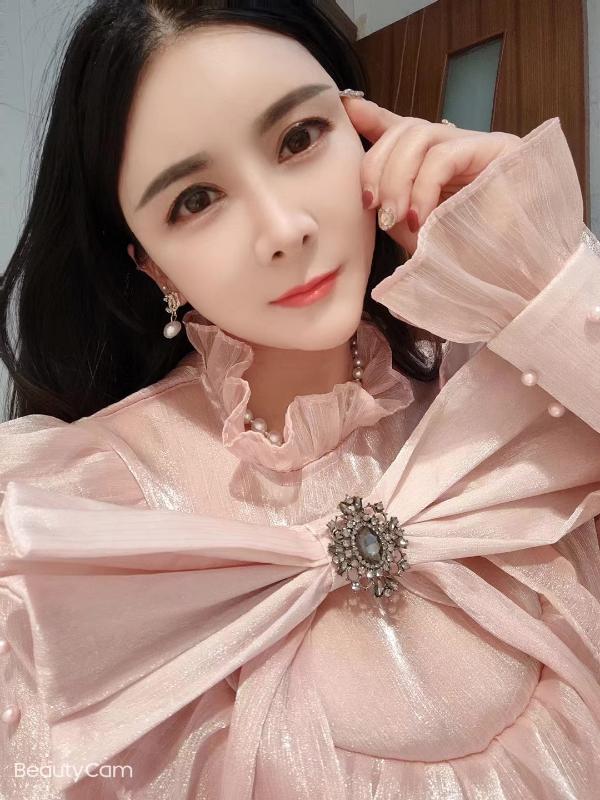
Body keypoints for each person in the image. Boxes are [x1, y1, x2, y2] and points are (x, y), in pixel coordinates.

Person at [0, 1, 599, 798]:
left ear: (363, 127)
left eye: (298, 138)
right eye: (195, 199)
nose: (283, 229)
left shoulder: (508, 385)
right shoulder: (80, 520)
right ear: (153, 266)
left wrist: (542, 271)